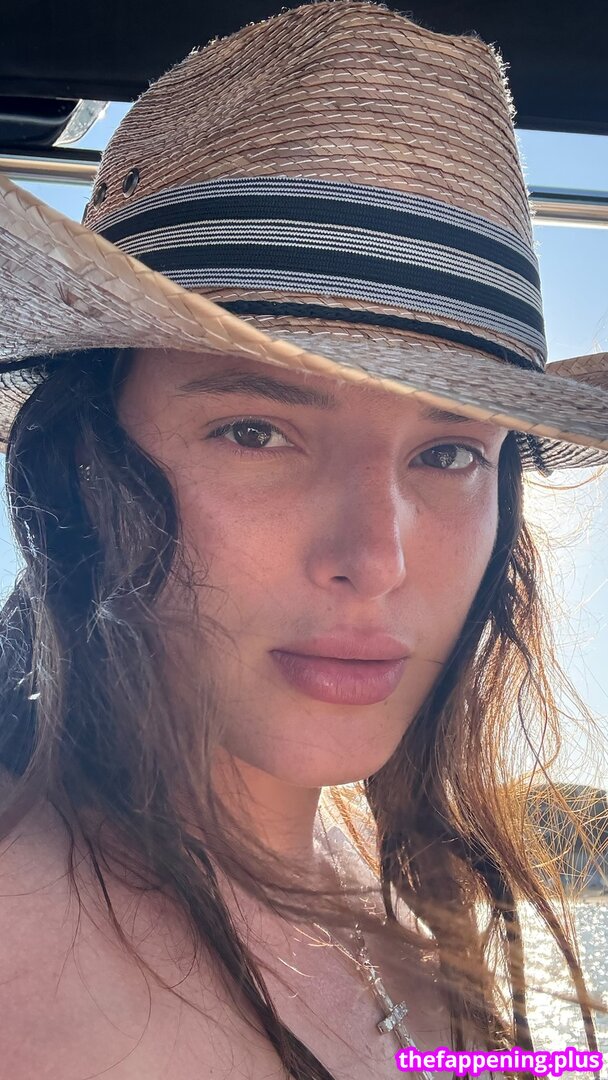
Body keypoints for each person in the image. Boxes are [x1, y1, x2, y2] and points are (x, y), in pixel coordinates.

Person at [0, 2, 606, 1077]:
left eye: (449, 453)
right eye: (255, 431)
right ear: (83, 464)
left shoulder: (389, 885)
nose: (376, 558)